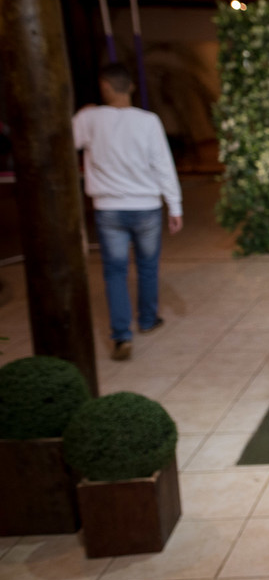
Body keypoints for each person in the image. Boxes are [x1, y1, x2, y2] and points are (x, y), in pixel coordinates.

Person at [72, 62, 183, 361]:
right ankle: (147, 320)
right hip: (145, 205)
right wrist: (175, 205)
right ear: (131, 87)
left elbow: (68, 142)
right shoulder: (148, 121)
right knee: (147, 266)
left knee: (115, 273)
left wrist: (84, 114)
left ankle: (122, 335)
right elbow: (163, 165)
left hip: (108, 208)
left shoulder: (89, 118)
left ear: (104, 86)